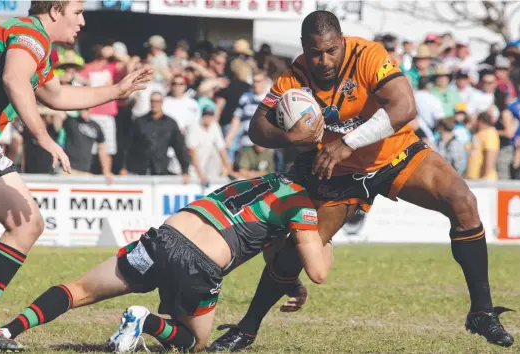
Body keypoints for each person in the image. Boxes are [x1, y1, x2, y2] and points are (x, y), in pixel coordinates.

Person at [209, 10, 514, 351]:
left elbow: (405, 107)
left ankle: (482, 312)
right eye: (314, 52)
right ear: (303, 48)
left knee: (463, 201)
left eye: (330, 50)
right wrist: (293, 137)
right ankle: (246, 329)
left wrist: (346, 143)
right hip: (339, 175)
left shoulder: (367, 54)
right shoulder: (294, 75)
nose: (323, 60)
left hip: (394, 155)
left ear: (341, 41)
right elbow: (257, 128)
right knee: (299, 253)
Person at [0, 1, 153, 351]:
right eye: (77, 12)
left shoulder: (38, 50)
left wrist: (117, 91)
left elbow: (57, 95)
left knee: (28, 223)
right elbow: (13, 79)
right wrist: (44, 137)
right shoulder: (27, 31)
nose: (82, 20)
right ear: (54, 11)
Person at [0, 173, 329, 353]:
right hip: (200, 262)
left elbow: (268, 242)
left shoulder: (266, 180)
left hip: (163, 237)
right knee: (194, 343)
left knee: (79, 289)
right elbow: (318, 271)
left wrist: (289, 280)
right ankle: (145, 321)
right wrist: (326, 238)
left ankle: (6, 330)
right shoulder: (302, 204)